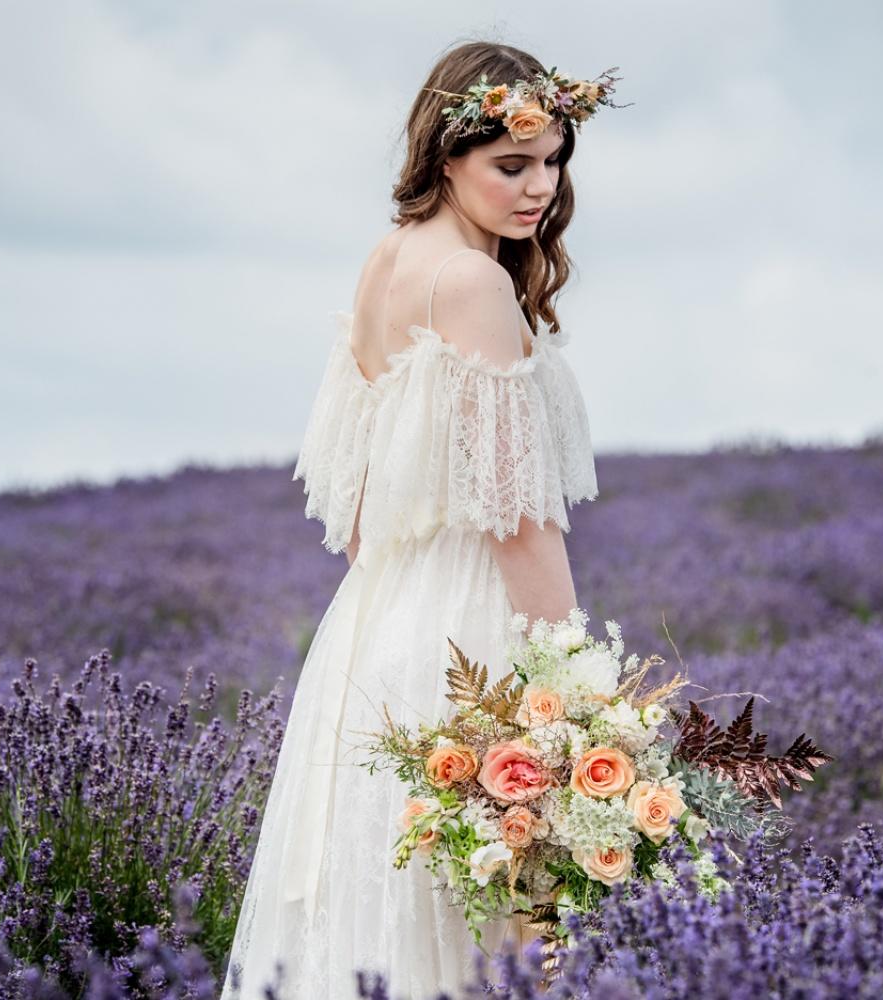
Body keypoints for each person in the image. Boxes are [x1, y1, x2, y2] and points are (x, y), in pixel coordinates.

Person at [223, 41, 625, 999]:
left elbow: (361, 520)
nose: (540, 188)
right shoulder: (473, 284)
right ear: (448, 157)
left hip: (371, 641)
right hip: (471, 641)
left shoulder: (389, 262)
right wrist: (567, 691)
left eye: (554, 161)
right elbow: (521, 523)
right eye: (512, 165)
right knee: (492, 928)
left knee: (374, 916)